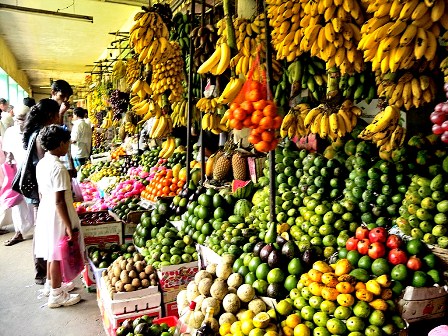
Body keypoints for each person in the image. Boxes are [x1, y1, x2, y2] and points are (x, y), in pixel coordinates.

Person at [34, 125, 82, 308]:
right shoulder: (59, 168)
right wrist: (68, 225)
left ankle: (50, 284)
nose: (68, 146)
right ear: (61, 144)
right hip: (58, 214)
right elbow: (60, 201)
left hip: (46, 211)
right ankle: (56, 295)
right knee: (55, 254)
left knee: (50, 251)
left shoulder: (42, 163)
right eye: (67, 142)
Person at [22, 98, 61, 284]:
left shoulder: (34, 131)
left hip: (38, 190)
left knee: (42, 229)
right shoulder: (40, 135)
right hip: (40, 191)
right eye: (55, 115)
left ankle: (44, 272)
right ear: (49, 115)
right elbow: (43, 165)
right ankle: (42, 273)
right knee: (43, 231)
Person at [2, 105, 33, 246]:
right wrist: (9, 158)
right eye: (18, 119)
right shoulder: (10, 132)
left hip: (32, 173)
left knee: (34, 203)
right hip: (17, 173)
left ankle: (39, 230)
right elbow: (7, 151)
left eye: (23, 119)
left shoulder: (34, 131)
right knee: (18, 205)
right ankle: (19, 232)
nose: (19, 122)